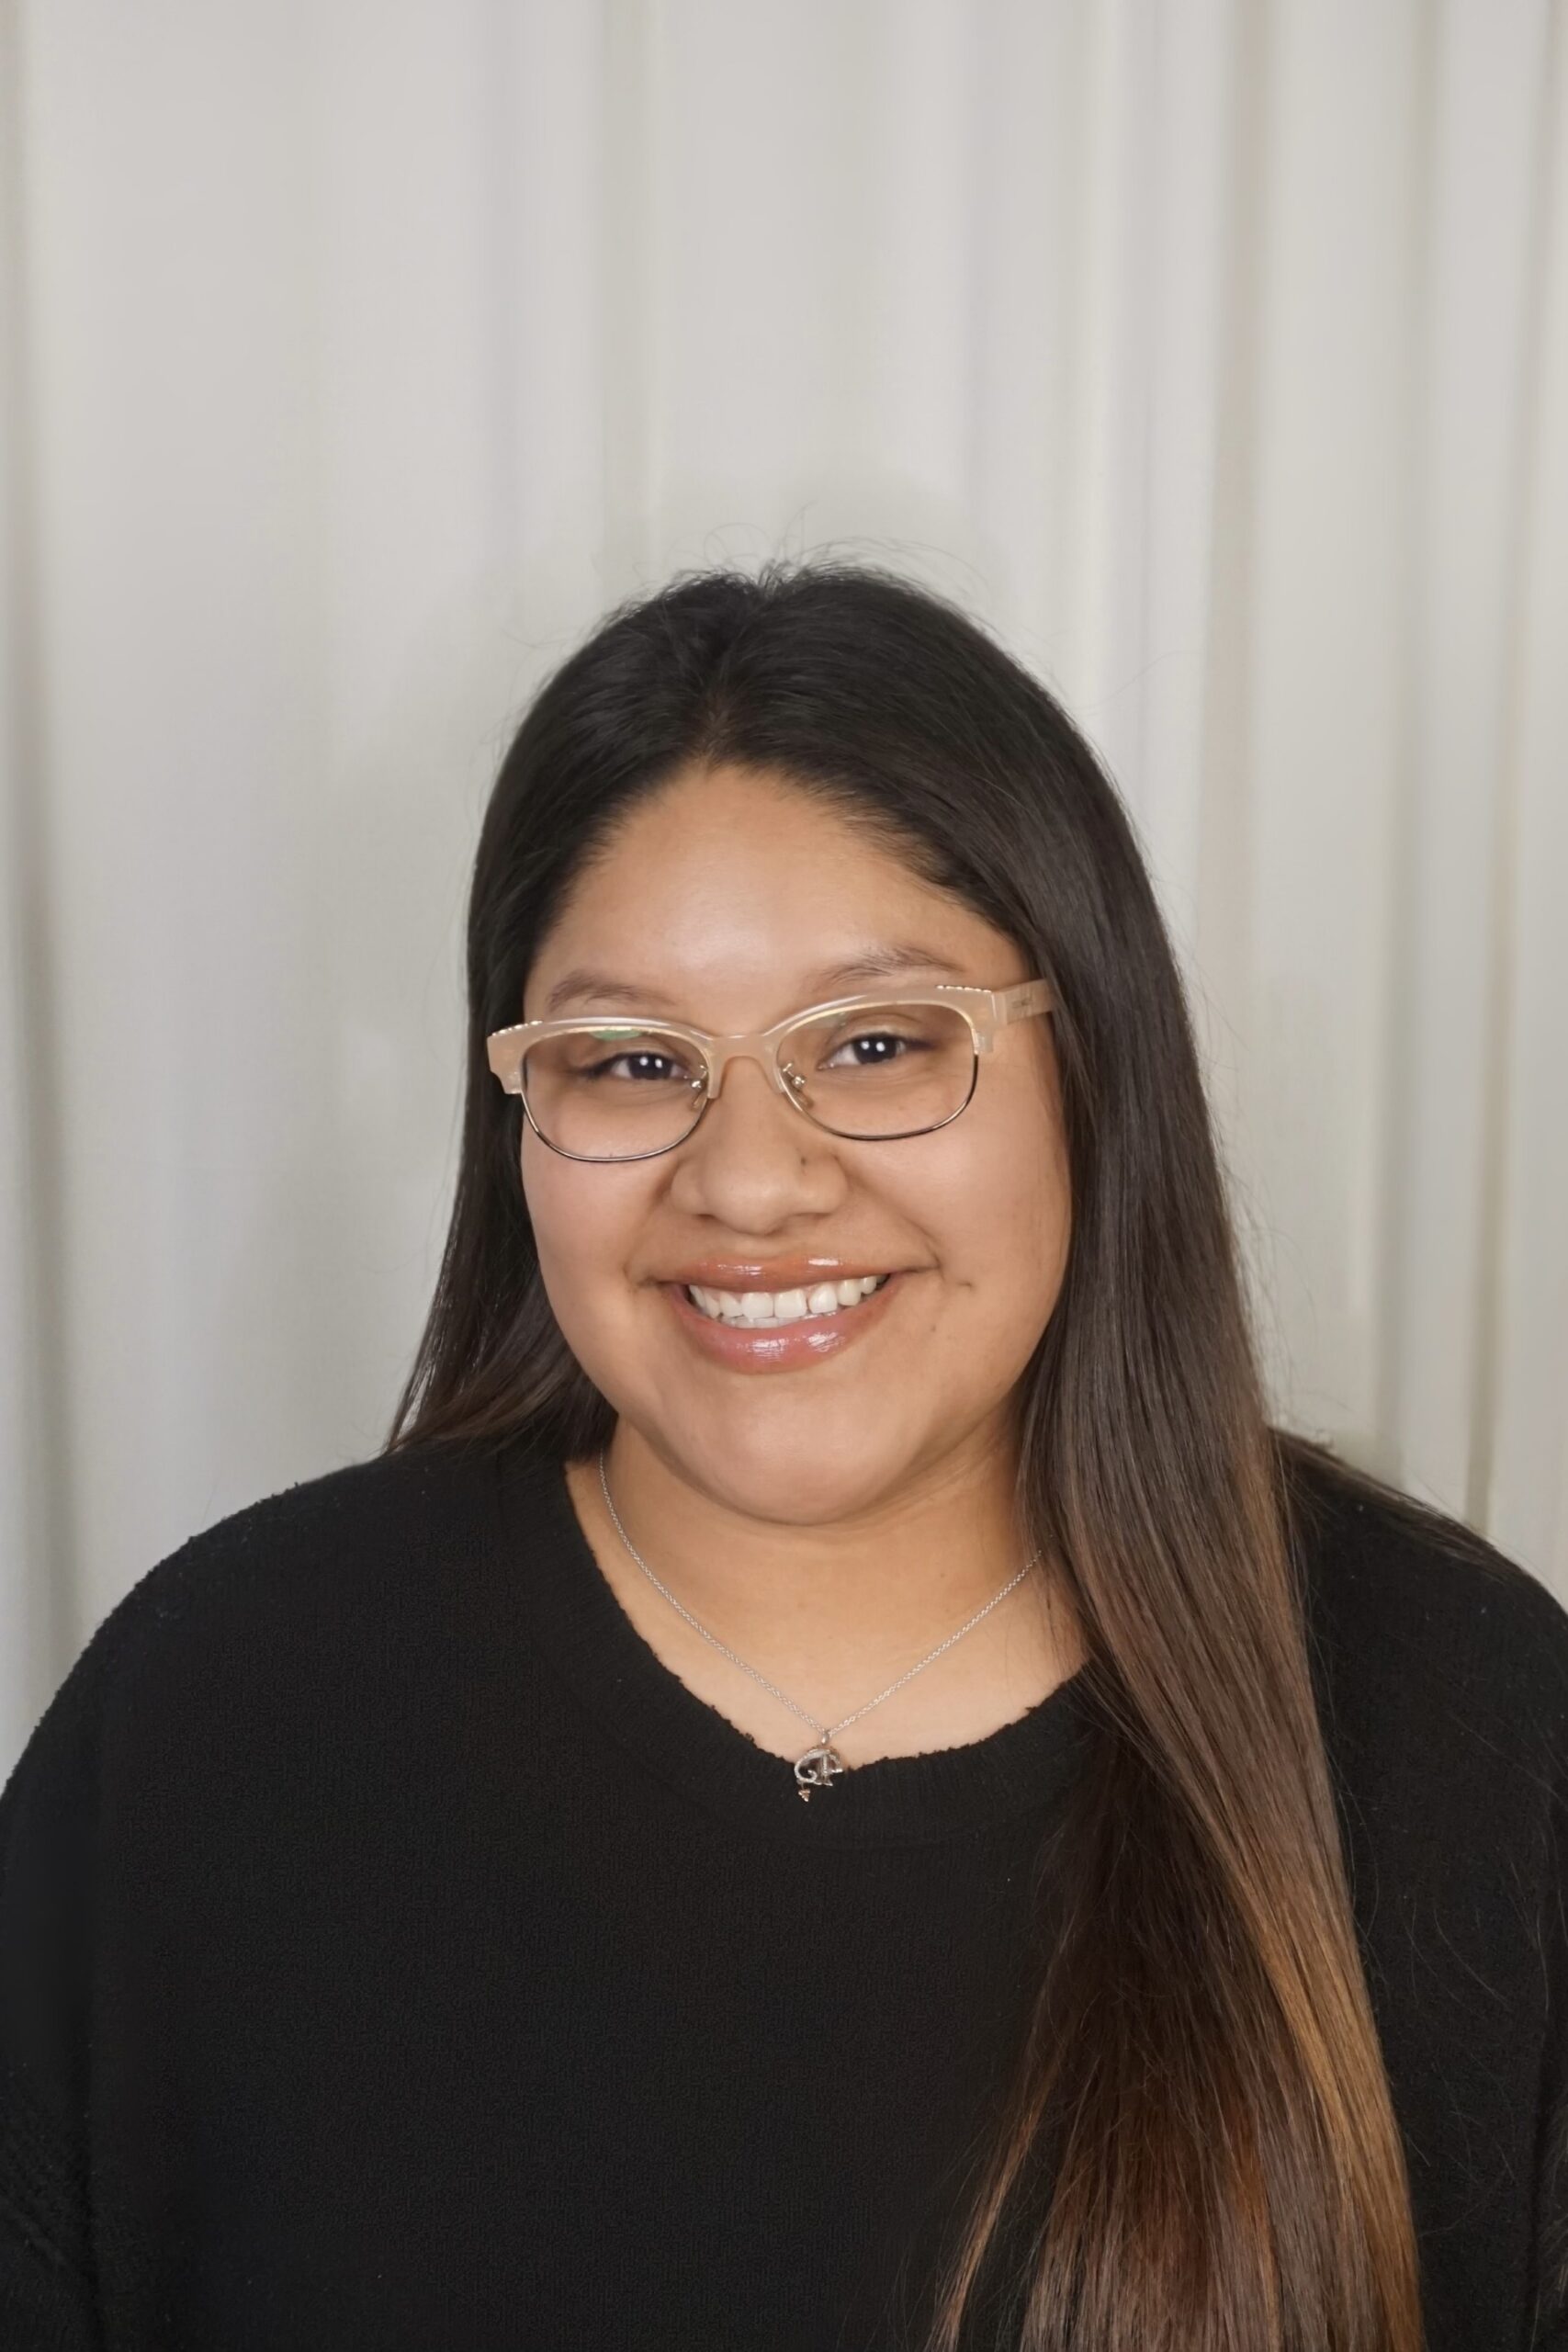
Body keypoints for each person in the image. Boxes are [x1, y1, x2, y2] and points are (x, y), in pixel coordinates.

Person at [1, 559, 1564, 2352]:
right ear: (518, 1112)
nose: (747, 1179)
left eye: (880, 1042)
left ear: (1094, 1065)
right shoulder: (227, 1711)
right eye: (630, 1060)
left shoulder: (1467, 1719)